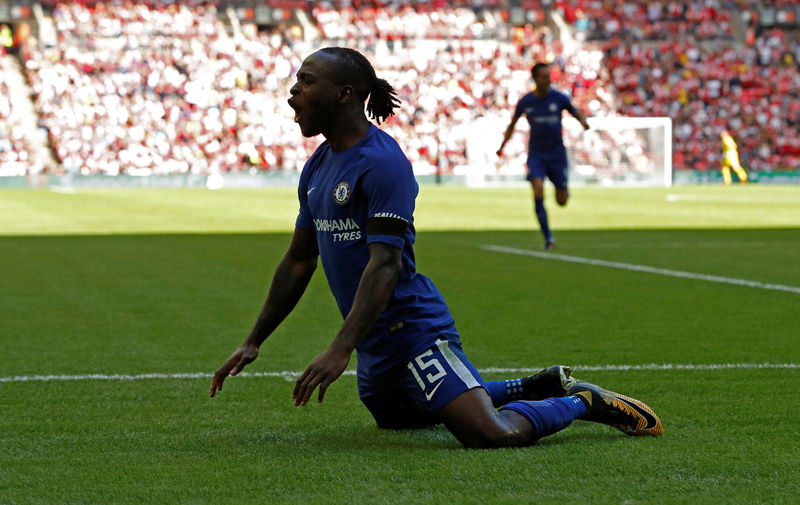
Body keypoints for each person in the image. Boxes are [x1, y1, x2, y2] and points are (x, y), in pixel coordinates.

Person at [209, 47, 663, 448]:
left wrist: (340, 346)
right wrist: (254, 341)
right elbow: (299, 260)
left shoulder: (382, 162)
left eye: (306, 82)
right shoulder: (318, 166)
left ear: (345, 94)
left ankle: (581, 401)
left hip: (413, 329)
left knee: (489, 433)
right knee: (400, 420)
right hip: (375, 342)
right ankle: (533, 385)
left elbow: (385, 267)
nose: (293, 92)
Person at [497, 62, 590, 250]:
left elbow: (574, 111)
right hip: (537, 154)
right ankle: (549, 238)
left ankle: (563, 187)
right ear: (535, 79)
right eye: (544, 77)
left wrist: (583, 122)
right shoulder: (526, 102)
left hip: (557, 154)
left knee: (561, 201)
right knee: (537, 190)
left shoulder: (559, 98)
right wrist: (502, 147)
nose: (548, 80)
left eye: (549, 76)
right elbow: (512, 124)